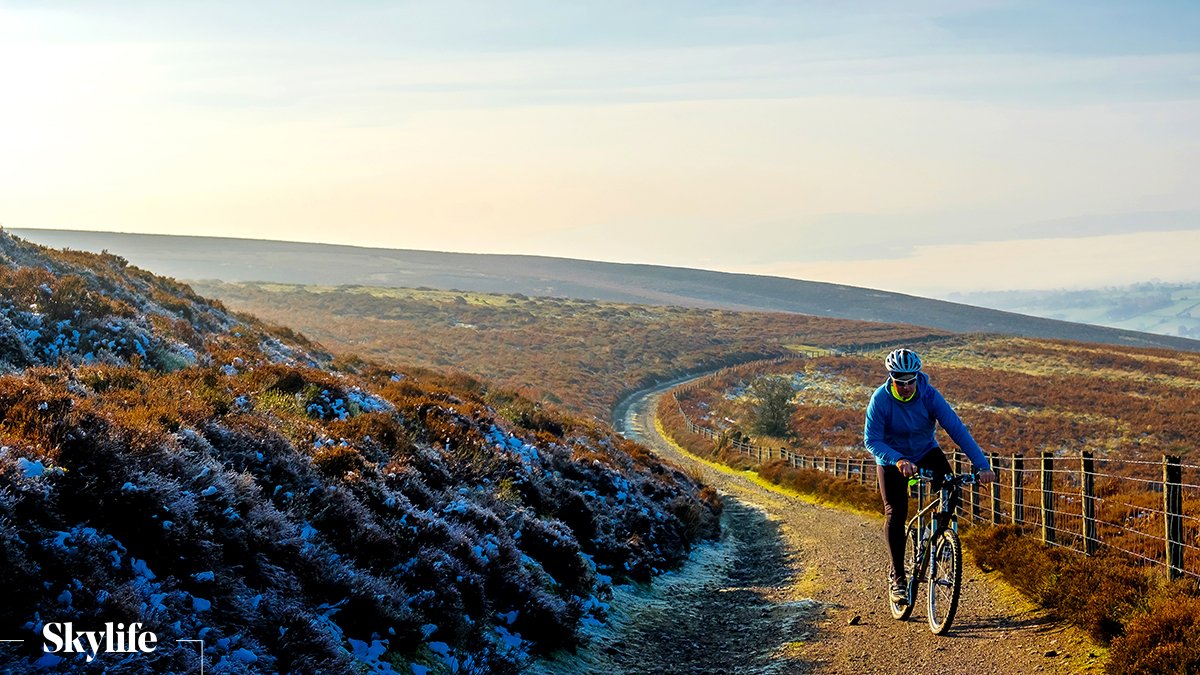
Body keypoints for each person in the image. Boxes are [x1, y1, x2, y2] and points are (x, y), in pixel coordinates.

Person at [863, 347, 996, 606]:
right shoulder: (880, 399)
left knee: (951, 486)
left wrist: (982, 465)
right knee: (895, 513)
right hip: (892, 459)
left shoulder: (929, 396)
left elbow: (957, 429)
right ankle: (898, 578)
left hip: (925, 452)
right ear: (891, 379)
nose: (906, 387)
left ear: (917, 377)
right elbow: (872, 440)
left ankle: (940, 538)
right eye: (900, 382)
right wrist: (898, 459)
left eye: (911, 381)